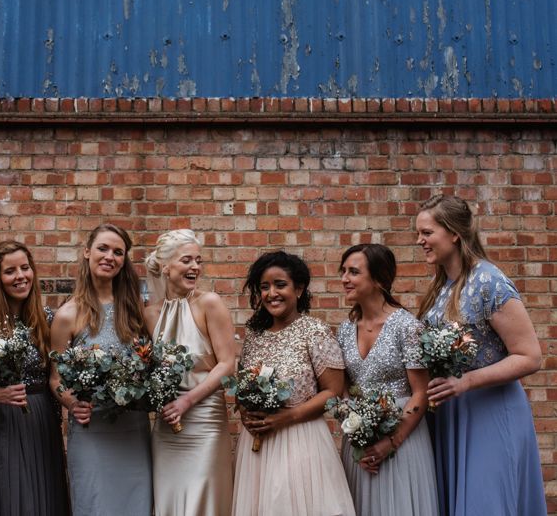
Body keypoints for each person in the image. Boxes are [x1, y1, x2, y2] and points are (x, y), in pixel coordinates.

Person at [416, 194, 546, 516]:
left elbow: (530, 356)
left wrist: (466, 382)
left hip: (490, 411)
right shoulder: (440, 288)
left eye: (427, 233)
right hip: (450, 415)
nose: (420, 241)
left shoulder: (489, 281)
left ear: (454, 233)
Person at [231, 250, 355, 516]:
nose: (271, 293)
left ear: (298, 289)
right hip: (257, 446)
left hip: (301, 441)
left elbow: (333, 392)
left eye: (280, 285)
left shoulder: (315, 331)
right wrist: (244, 410)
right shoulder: (254, 334)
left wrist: (287, 417)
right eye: (264, 287)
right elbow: (244, 382)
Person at [0, 240, 70, 516]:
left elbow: (59, 376)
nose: (20, 276)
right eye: (10, 271)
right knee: (8, 501)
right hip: (0, 425)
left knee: (42, 501)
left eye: (25, 268)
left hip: (40, 424)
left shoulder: (48, 320)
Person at [50, 224, 152, 516]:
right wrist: (71, 402)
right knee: (95, 505)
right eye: (103, 248)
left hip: (133, 428)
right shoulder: (68, 315)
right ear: (87, 252)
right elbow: (55, 377)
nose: (110, 256)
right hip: (91, 428)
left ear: (124, 261)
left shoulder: (135, 311)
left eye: (118, 252)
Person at [336, 244, 438, 516]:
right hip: (358, 442)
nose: (344, 279)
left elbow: (421, 393)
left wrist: (390, 442)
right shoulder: (345, 329)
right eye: (343, 271)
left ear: (379, 279)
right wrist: (355, 433)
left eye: (353, 272)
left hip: (402, 438)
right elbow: (343, 390)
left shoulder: (407, 327)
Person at [144, 229, 235, 516]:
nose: (195, 267)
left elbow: (227, 364)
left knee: (202, 500)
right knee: (168, 499)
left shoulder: (210, 304)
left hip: (205, 423)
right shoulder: (149, 314)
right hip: (167, 428)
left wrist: (188, 401)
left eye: (199, 260)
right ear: (166, 266)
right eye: (187, 260)